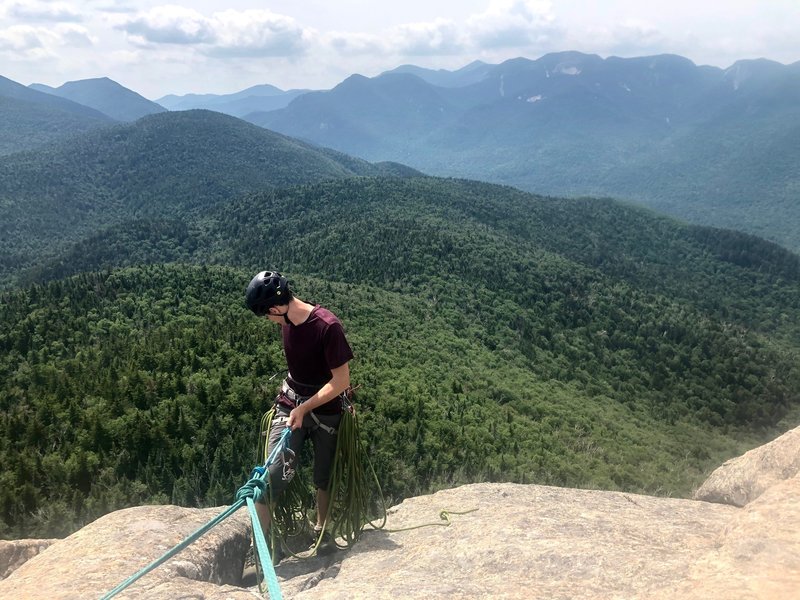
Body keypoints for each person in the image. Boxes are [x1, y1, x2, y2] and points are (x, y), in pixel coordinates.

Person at [244, 270, 354, 554]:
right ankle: (261, 549)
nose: (268, 320)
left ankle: (322, 530)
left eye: (267, 315)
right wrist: (298, 407)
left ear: (275, 308)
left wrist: (305, 408)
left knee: (324, 475)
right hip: (292, 401)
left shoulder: (327, 326)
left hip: (324, 408)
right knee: (272, 475)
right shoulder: (289, 321)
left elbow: (341, 381)